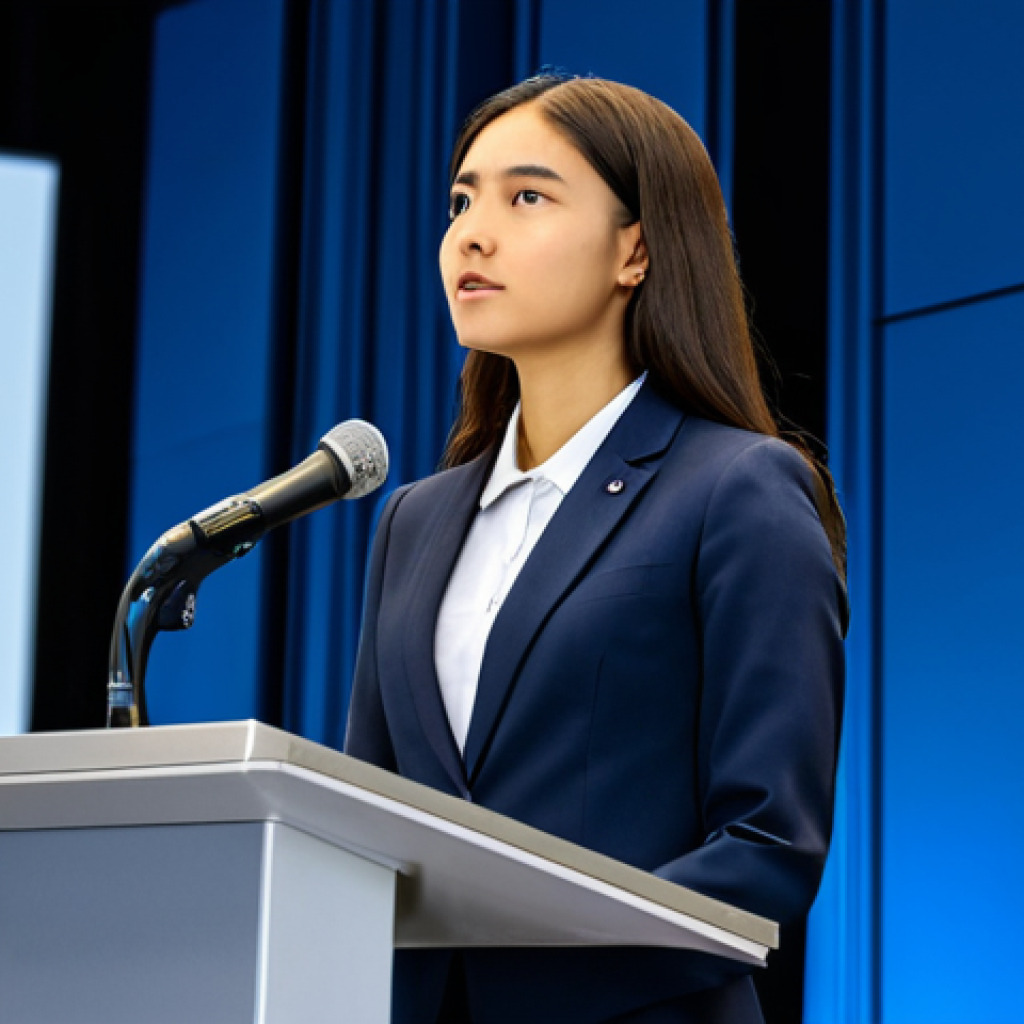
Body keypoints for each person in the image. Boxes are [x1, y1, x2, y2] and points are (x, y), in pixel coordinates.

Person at [345, 72, 847, 1024]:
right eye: (461, 201)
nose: (472, 235)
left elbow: (767, 850)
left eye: (526, 198)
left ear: (636, 250)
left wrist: (517, 970)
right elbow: (367, 828)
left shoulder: (738, 489)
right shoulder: (411, 519)